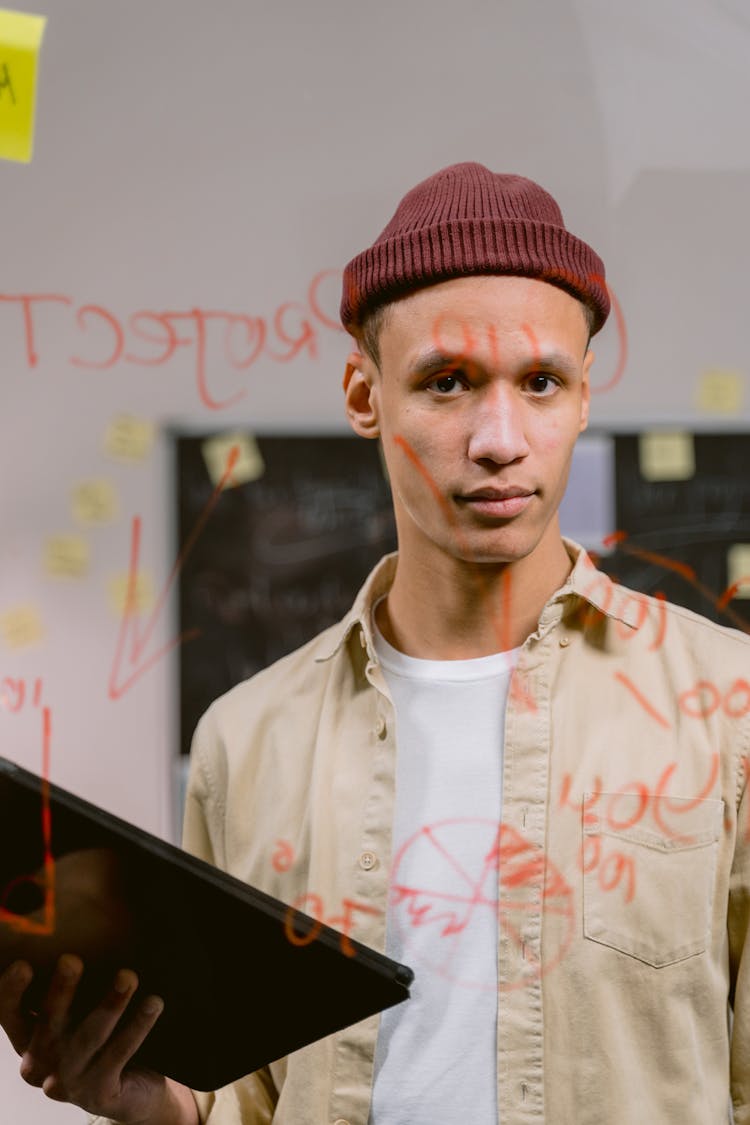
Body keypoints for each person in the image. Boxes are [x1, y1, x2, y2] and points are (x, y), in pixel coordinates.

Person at [1, 162, 748, 1125]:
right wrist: (158, 1103)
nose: (499, 437)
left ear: (583, 397)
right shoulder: (247, 735)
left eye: (541, 382)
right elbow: (246, 1102)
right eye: (448, 382)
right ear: (365, 396)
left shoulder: (725, 705)